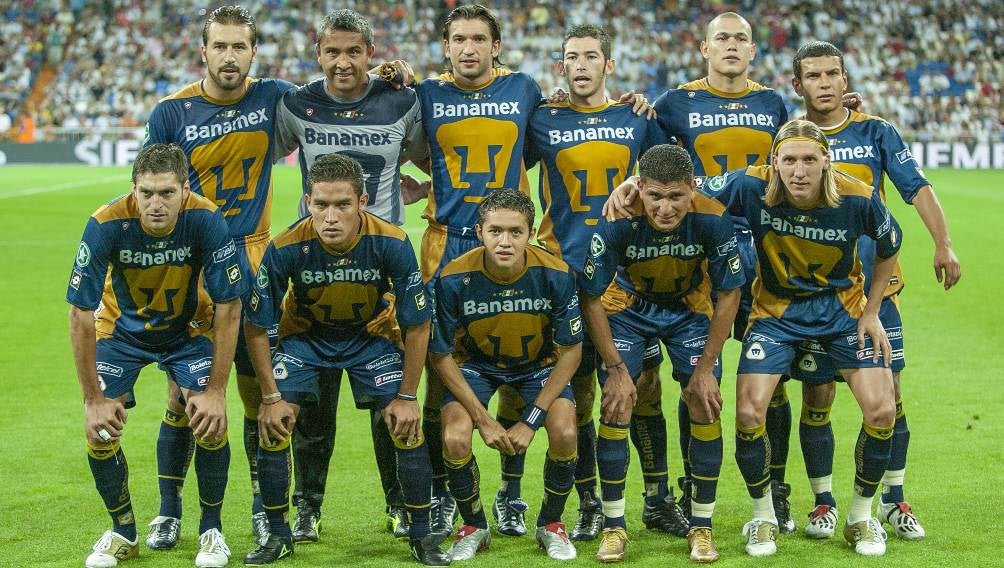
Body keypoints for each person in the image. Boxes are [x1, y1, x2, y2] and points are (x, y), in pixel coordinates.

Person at [703, 120, 902, 557]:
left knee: (882, 409)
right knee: (750, 412)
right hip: (775, 315)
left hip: (842, 314)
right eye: (788, 160)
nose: (798, 171)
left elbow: (889, 246)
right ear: (773, 163)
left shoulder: (857, 196)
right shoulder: (748, 185)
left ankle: (860, 518)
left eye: (809, 159)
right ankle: (763, 517)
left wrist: (872, 312)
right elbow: (689, 186)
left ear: (826, 161)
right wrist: (637, 183)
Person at [788, 40, 962, 540]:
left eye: (833, 74)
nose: (825, 84)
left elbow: (917, 187)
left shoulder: (875, 131)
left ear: (846, 80)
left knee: (891, 394)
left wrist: (943, 244)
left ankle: (893, 498)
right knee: (817, 396)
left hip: (876, 293)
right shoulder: (787, 138)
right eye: (814, 77)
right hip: (812, 293)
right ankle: (822, 502)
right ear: (799, 86)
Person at [242, 153, 449, 566]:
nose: (330, 216)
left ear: (363, 201)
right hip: (307, 341)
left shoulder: (391, 241)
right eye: (320, 205)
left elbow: (418, 324)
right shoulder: (285, 246)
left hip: (369, 339)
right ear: (308, 203)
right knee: (275, 425)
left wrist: (408, 395)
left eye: (342, 205)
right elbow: (256, 324)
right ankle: (280, 532)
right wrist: (269, 397)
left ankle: (422, 535)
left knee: (404, 425)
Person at [272, 8, 430, 543]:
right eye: (332, 52)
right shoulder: (296, 103)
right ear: (318, 55)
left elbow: (443, 159)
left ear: (371, 53)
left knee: (392, 405)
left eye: (354, 51)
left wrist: (423, 190)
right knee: (312, 408)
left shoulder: (402, 101)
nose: (343, 62)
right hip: (313, 271)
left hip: (384, 271)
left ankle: (401, 507)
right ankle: (307, 509)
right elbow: (252, 139)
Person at [142, 5, 296, 549]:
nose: (230, 56)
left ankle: (263, 508)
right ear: (203, 51)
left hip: (254, 259)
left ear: (254, 53)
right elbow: (152, 196)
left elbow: (339, 100)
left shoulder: (275, 96)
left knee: (260, 395)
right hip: (192, 264)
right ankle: (168, 511)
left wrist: (394, 77)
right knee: (182, 394)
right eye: (220, 46)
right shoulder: (171, 111)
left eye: (240, 47)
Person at [522, 24, 672, 542]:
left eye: (591, 56)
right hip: (564, 271)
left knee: (645, 388)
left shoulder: (636, 118)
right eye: (571, 57)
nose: (580, 65)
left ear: (609, 65)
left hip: (630, 275)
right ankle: (590, 501)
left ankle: (658, 497)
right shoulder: (541, 119)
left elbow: (673, 177)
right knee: (581, 391)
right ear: (560, 67)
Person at [67, 143, 244, 568]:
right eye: (146, 193)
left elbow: (229, 306)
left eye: (167, 193)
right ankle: (123, 533)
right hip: (122, 333)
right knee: (100, 430)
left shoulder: (206, 218)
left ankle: (211, 531)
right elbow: (79, 312)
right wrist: (93, 400)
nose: (156, 204)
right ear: (134, 189)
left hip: (187, 331)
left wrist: (217, 389)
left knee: (208, 418)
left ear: (185, 189)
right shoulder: (106, 222)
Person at [580, 144, 742, 563]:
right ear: (640, 187)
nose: (665, 208)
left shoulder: (712, 218)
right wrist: (616, 369)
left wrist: (706, 369)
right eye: (655, 196)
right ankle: (615, 527)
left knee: (705, 403)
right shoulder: (618, 220)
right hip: (629, 310)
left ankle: (702, 527)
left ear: (693, 187)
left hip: (688, 309)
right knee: (617, 402)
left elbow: (730, 294)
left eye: (675, 196)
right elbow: (591, 297)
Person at [429, 189, 583, 561]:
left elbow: (571, 351)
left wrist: (531, 421)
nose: (505, 241)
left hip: (539, 366)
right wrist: (483, 420)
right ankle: (474, 526)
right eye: (495, 231)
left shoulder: (556, 274)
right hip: (475, 367)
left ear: (530, 234)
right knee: (454, 437)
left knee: (564, 430)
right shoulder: (452, 277)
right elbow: (440, 354)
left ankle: (551, 524)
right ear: (479, 231)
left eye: (516, 232)